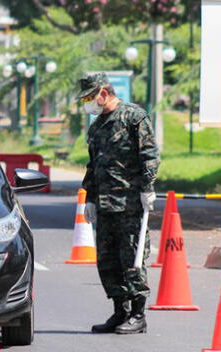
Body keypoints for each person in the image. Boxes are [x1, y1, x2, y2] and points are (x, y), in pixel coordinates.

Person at [78, 72, 160, 334]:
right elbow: (93, 165)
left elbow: (149, 156)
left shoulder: (133, 117)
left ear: (104, 93)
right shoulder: (96, 126)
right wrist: (89, 198)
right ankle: (119, 311)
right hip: (104, 205)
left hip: (129, 205)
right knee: (108, 261)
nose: (88, 103)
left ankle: (138, 314)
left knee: (132, 259)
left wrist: (147, 188)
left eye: (91, 97)